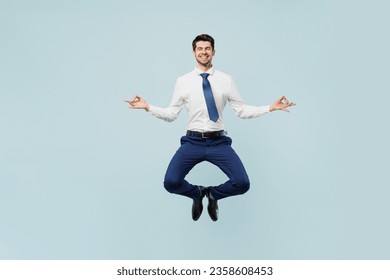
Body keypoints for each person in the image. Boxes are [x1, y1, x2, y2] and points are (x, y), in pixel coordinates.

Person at [124, 34, 295, 222]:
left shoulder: (226, 80)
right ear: (193, 52)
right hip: (193, 142)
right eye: (199, 49)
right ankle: (197, 193)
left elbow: (242, 110)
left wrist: (269, 107)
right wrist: (148, 107)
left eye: (207, 48)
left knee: (242, 183)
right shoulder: (183, 81)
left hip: (218, 142)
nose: (203, 52)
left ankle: (213, 195)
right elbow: (172, 114)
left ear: (213, 52)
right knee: (171, 182)